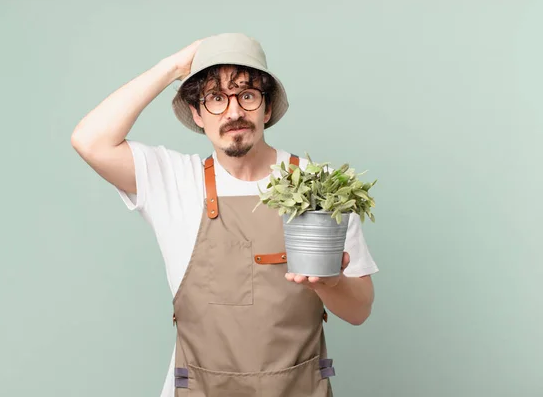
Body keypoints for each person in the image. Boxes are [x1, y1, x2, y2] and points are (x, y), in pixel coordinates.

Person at [71, 33, 378, 397]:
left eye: (246, 95)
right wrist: (172, 67)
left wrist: (328, 282)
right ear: (197, 114)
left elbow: (359, 310)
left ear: (266, 108)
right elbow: (89, 140)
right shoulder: (174, 181)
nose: (234, 112)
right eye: (216, 98)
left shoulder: (320, 187)